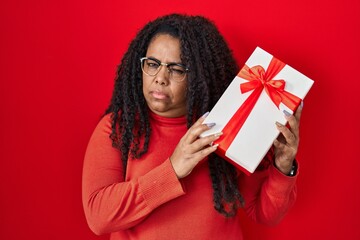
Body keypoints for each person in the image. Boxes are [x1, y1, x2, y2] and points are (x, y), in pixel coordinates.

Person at [82, 14, 301, 240]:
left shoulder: (225, 126)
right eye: (152, 64)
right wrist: (173, 170)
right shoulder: (118, 127)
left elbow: (264, 214)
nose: (160, 78)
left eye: (176, 69)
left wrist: (283, 167)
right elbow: (99, 217)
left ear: (198, 76)